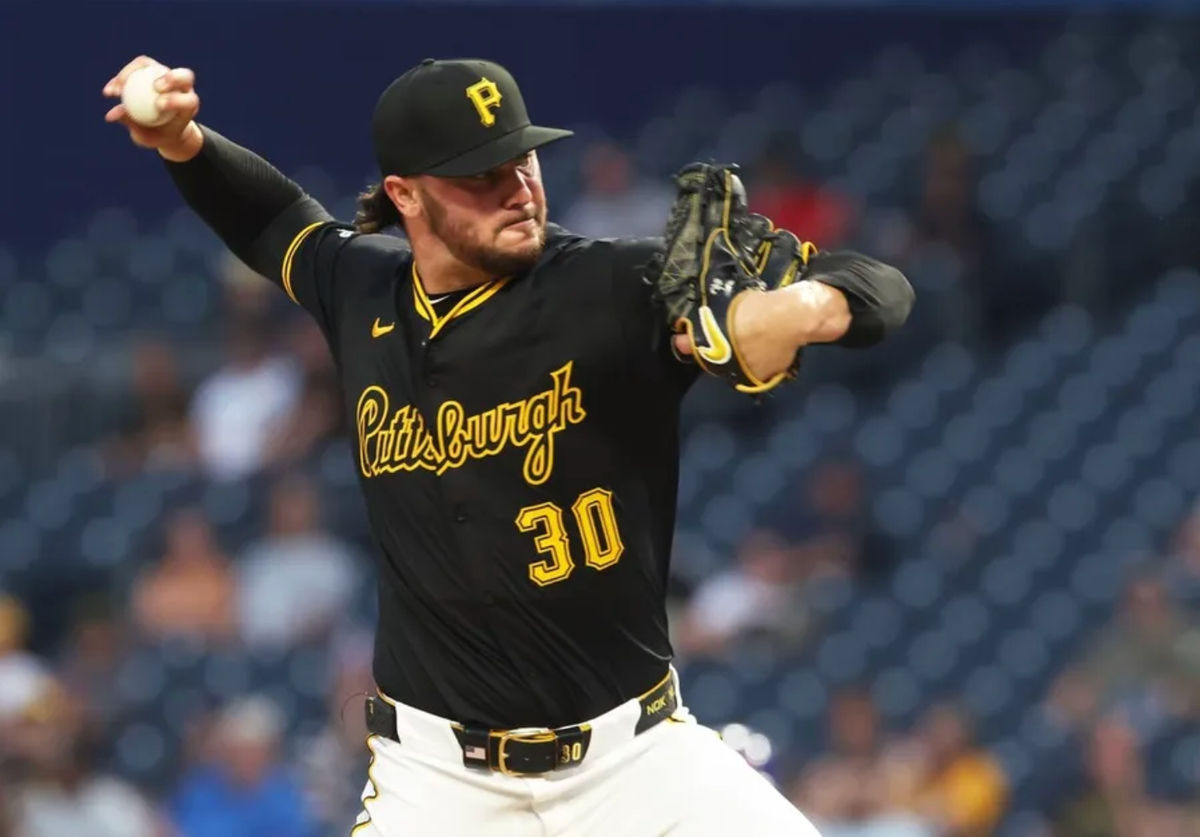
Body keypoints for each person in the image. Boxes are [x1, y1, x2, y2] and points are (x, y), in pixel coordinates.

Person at [103, 53, 912, 836]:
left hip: (638, 763)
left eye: (523, 160)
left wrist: (805, 308)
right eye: (480, 174)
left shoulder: (614, 285)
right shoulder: (362, 290)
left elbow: (884, 285)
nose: (517, 189)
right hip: (440, 784)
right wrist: (184, 143)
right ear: (405, 196)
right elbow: (275, 220)